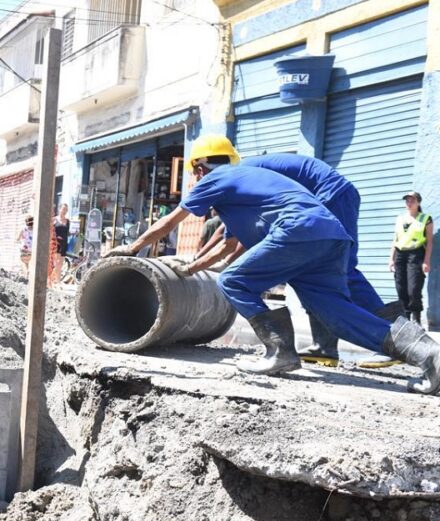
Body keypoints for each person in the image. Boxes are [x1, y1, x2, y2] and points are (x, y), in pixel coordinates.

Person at [102, 134, 440, 394]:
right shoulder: (248, 193)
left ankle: (281, 352)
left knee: (233, 281)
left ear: (200, 169)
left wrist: (132, 249)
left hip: (303, 227)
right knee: (338, 315)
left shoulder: (220, 179)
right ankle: (429, 356)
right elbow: (228, 246)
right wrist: (191, 269)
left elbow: (172, 222)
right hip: (328, 235)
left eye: (195, 174)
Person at [243, 153, 400, 367]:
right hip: (328, 197)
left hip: (332, 195)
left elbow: (233, 237)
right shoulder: (246, 173)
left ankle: (396, 340)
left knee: (342, 269)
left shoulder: (243, 173)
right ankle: (324, 347)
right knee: (314, 270)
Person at [391, 191, 433, 325]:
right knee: (400, 288)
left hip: (416, 255)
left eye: (412, 200)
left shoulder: (426, 219)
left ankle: (416, 319)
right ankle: (405, 319)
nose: (409, 203)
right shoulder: (399, 218)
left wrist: (426, 261)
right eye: (407, 200)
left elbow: (430, 242)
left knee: (414, 288)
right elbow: (395, 240)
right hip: (400, 255)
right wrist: (391, 259)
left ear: (418, 202)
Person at [52, 204, 70, 282]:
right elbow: (51, 231)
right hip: (56, 243)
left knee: (60, 264)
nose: (64, 211)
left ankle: (56, 280)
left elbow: (67, 232)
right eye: (63, 209)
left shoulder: (68, 221)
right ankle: (55, 280)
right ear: (59, 209)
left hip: (64, 243)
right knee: (56, 263)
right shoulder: (54, 220)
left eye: (66, 209)